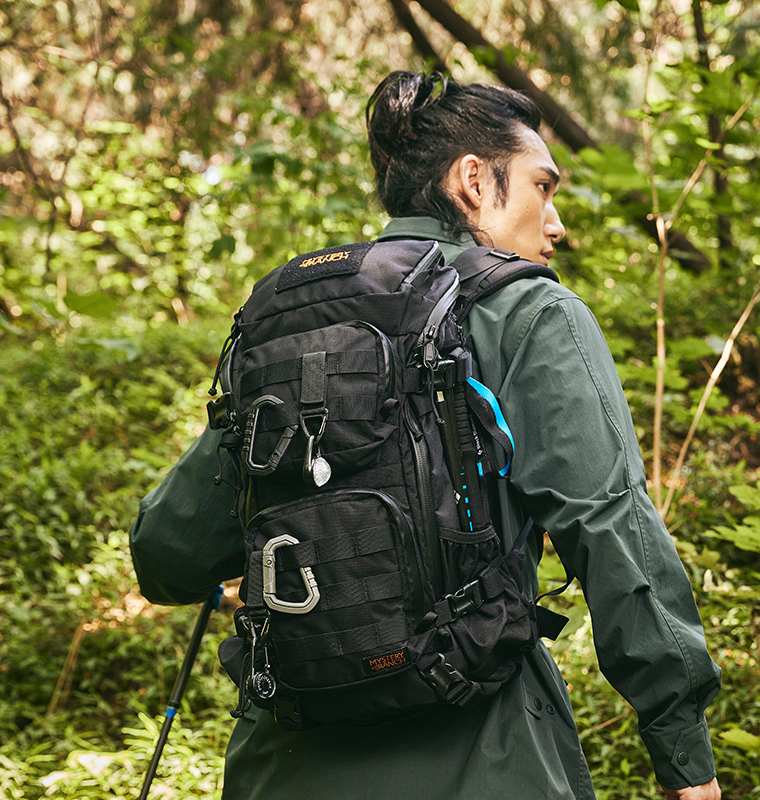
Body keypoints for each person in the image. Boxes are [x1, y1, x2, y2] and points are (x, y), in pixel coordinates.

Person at [130, 71, 722, 799]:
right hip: (487, 760)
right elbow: (611, 529)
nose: (557, 221)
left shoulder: (288, 319)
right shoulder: (529, 313)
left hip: (282, 767)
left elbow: (165, 556)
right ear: (474, 180)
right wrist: (685, 756)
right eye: (543, 186)